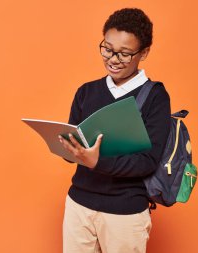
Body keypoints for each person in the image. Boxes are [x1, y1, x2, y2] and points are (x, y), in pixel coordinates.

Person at [58, 8, 171, 253]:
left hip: (125, 212)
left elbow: (147, 161)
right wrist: (67, 149)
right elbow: (75, 142)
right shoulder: (86, 91)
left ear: (144, 52)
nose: (113, 59)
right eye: (107, 49)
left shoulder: (155, 97)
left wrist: (97, 161)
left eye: (124, 54)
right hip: (79, 205)